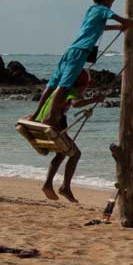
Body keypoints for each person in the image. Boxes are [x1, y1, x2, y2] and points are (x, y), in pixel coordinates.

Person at [29, 0, 133, 129]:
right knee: (64, 86)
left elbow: (96, 28)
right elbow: (123, 20)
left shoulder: (91, 10)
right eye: (112, 1)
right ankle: (50, 118)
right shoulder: (103, 10)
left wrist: (117, 28)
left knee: (52, 85)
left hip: (71, 50)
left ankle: (35, 115)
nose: (111, 5)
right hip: (81, 52)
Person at [36, 69, 105, 202]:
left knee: (61, 153)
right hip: (52, 127)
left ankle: (48, 184)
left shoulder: (60, 89)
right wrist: (95, 99)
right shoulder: (70, 90)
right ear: (81, 84)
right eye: (86, 85)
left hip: (46, 126)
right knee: (76, 154)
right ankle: (65, 187)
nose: (86, 88)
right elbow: (75, 103)